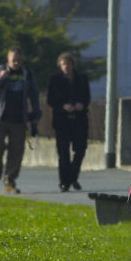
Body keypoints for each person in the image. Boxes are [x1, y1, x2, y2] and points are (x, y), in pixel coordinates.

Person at [0, 46, 41, 194]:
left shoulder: (27, 73)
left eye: (19, 60)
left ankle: (10, 180)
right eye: (14, 60)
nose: (16, 63)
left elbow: (33, 94)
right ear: (8, 59)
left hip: (19, 119)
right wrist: (0, 78)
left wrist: (35, 113)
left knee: (16, 151)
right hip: (0, 117)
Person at [47, 52, 90, 192]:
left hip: (79, 120)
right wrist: (63, 106)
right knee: (63, 153)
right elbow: (50, 100)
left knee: (80, 150)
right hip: (62, 121)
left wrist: (81, 105)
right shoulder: (55, 79)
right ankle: (64, 182)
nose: (66, 67)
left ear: (72, 65)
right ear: (60, 65)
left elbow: (87, 98)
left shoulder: (81, 79)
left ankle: (73, 176)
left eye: (68, 64)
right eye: (63, 64)